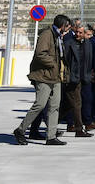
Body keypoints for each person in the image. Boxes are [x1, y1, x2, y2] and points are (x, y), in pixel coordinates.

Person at [15, 13, 71, 146]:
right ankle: (20, 130)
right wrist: (53, 64)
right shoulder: (47, 34)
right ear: (62, 26)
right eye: (67, 26)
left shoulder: (58, 36)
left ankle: (51, 136)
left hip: (55, 76)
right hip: (44, 76)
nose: (68, 29)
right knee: (40, 104)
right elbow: (40, 53)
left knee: (54, 106)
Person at [60, 20, 91, 137]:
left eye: (80, 33)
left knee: (68, 105)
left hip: (82, 78)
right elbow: (65, 62)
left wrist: (88, 75)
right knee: (77, 103)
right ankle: (79, 129)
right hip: (71, 78)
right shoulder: (69, 43)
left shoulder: (87, 44)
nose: (78, 34)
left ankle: (48, 121)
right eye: (77, 32)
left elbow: (89, 60)